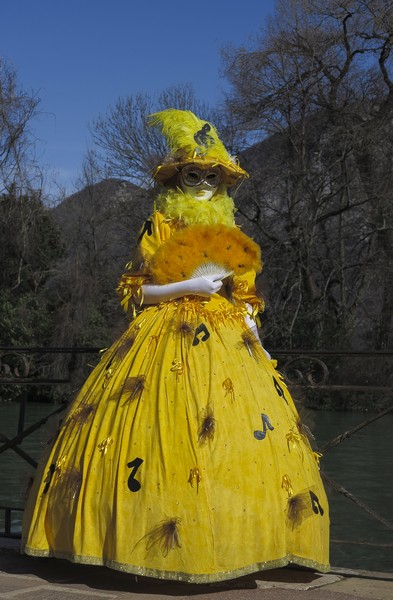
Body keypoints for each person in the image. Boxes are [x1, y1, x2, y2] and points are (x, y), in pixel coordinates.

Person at [21, 109, 329, 583]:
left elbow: (245, 302)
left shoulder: (234, 241)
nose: (203, 182)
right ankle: (141, 543)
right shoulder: (159, 228)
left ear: (224, 185)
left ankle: (234, 542)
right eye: (193, 174)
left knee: (236, 442)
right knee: (159, 436)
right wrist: (185, 290)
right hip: (162, 338)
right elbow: (137, 292)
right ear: (177, 180)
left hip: (229, 346)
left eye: (212, 176)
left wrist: (259, 345)